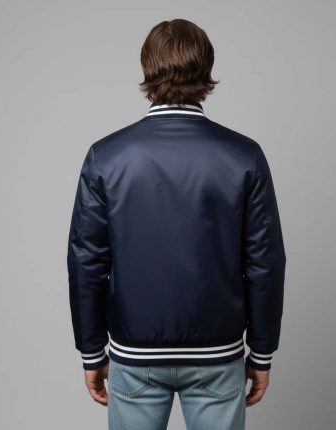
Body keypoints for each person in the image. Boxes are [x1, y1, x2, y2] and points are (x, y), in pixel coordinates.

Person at [67, 18, 286, 430]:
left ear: (147, 68)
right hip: (217, 353)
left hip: (135, 353)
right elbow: (264, 263)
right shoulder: (244, 155)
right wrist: (261, 353)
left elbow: (87, 261)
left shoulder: (106, 156)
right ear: (206, 68)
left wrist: (92, 352)